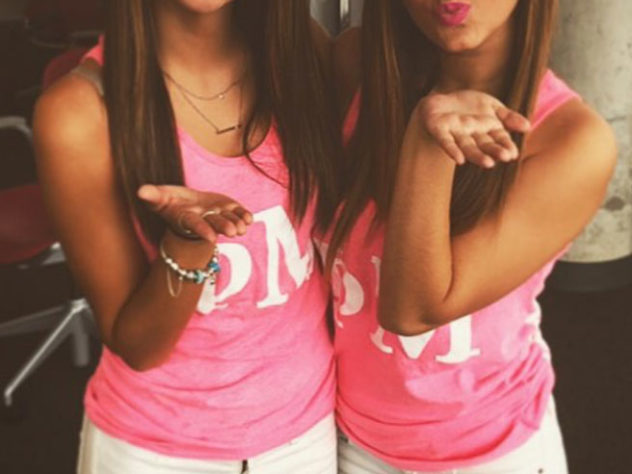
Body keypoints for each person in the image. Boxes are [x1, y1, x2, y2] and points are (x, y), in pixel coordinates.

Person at [33, 1, 340, 472]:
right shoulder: (78, 112)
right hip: (160, 449)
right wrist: (188, 243)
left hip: (306, 436)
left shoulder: (302, 57)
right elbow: (139, 346)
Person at [327, 1, 616, 472]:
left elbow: (415, 309)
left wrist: (430, 144)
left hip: (486, 451)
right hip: (346, 440)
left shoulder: (573, 139)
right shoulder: (355, 66)